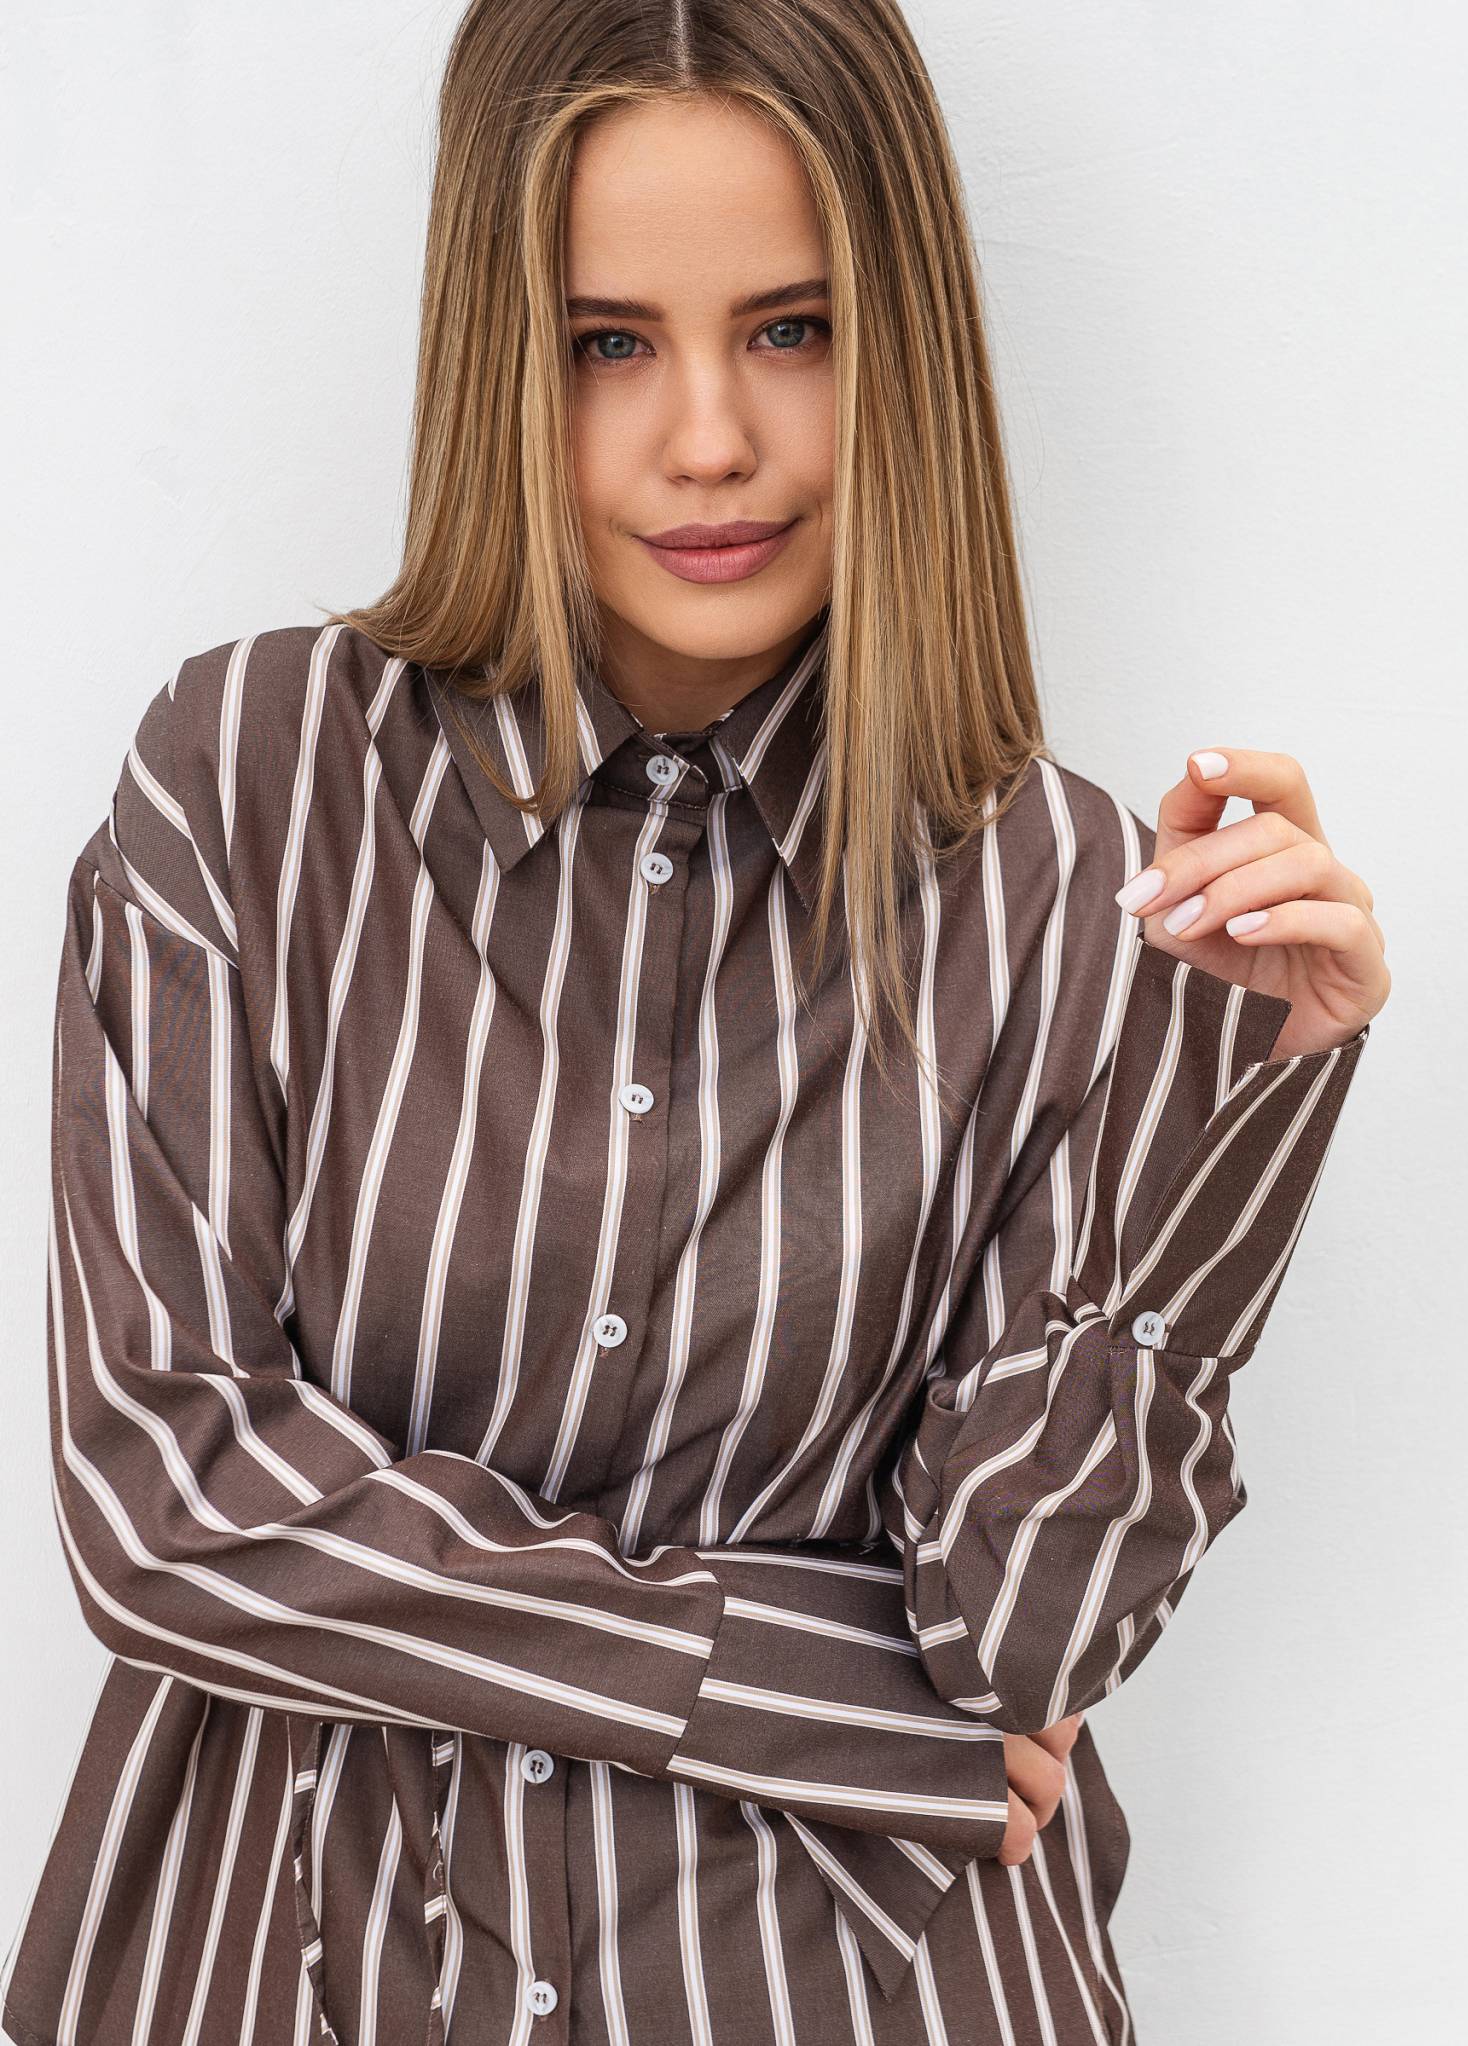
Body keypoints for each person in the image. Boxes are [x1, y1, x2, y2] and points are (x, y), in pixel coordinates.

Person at [1, 3, 1388, 2042]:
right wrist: (796, 1687)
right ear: (498, 356)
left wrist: (1242, 1099)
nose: (712, 438)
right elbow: (170, 1501)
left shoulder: (1075, 901)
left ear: (904, 342)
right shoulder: (246, 782)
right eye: (609, 343)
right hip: (298, 1971)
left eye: (794, 329)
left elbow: (1022, 1640)